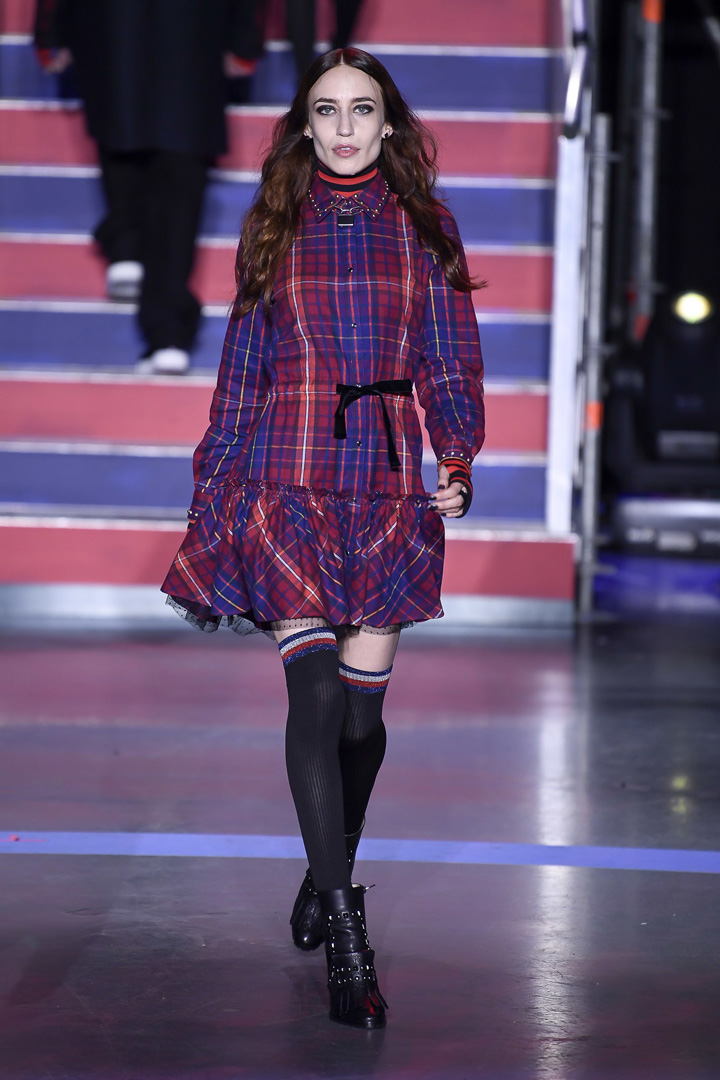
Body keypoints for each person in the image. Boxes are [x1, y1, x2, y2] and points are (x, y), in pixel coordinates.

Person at [162, 47, 485, 1029]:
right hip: (284, 481)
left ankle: (324, 864)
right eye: (328, 111)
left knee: (359, 720)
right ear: (306, 126)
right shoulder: (274, 224)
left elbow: (449, 361)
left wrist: (457, 458)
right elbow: (240, 371)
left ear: (389, 124)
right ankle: (349, 932)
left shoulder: (427, 228)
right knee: (313, 694)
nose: (345, 128)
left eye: (362, 110)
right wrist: (212, 490)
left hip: (383, 491)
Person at [34, 0, 263, 374]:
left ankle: (127, 246)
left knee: (121, 107)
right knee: (178, 154)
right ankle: (168, 330)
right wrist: (245, 38)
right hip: (191, 31)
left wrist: (51, 32)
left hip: (114, 23)